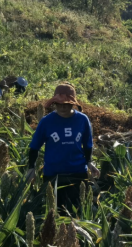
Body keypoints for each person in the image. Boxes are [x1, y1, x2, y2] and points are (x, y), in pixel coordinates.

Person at [26, 83, 100, 214]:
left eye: (66, 104)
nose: (62, 107)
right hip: (53, 174)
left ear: (73, 104)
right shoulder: (46, 122)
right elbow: (34, 147)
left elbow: (87, 144)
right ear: (54, 103)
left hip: (77, 174)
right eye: (59, 104)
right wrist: (31, 168)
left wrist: (89, 162)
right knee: (55, 213)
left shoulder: (82, 120)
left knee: (77, 211)